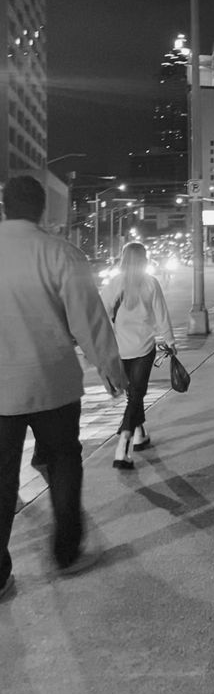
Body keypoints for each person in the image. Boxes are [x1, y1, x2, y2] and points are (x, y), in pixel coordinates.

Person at [0, 176, 127, 596]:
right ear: (42, 210)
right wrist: (111, 369)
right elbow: (88, 320)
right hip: (54, 384)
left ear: (4, 206)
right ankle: (67, 550)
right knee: (64, 461)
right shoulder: (61, 253)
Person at [100, 241, 176, 469]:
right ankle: (123, 445)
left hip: (121, 349)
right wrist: (171, 342)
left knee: (135, 394)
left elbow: (100, 312)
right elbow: (162, 315)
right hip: (144, 349)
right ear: (144, 260)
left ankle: (140, 434)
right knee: (136, 394)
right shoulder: (151, 283)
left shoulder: (114, 284)